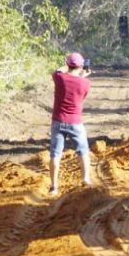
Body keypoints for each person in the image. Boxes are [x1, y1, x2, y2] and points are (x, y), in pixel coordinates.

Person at [48, 52, 92, 195]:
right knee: (83, 151)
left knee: (55, 154)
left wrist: (67, 66)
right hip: (75, 122)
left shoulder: (59, 78)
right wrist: (81, 76)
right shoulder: (85, 83)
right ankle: (85, 179)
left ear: (68, 65)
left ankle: (54, 186)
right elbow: (82, 95)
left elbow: (58, 71)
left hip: (58, 120)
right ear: (81, 66)